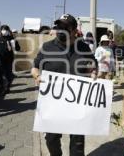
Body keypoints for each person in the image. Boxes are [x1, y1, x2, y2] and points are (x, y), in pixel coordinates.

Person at [31, 14, 97, 156]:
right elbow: (35, 67)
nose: (60, 30)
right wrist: (37, 76)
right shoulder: (47, 47)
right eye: (58, 26)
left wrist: (93, 72)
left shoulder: (83, 47)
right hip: (53, 104)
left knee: (77, 143)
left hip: (77, 104)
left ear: (74, 31)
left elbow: (93, 64)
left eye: (65, 27)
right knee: (51, 140)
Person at [0, 24, 20, 95]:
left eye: (6, 30)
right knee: (2, 74)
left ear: (8, 31)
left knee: (8, 74)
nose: (4, 31)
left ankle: (7, 87)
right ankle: (3, 88)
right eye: (3, 29)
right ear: (1, 30)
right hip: (0, 59)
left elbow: (18, 49)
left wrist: (15, 43)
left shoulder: (12, 39)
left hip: (9, 59)